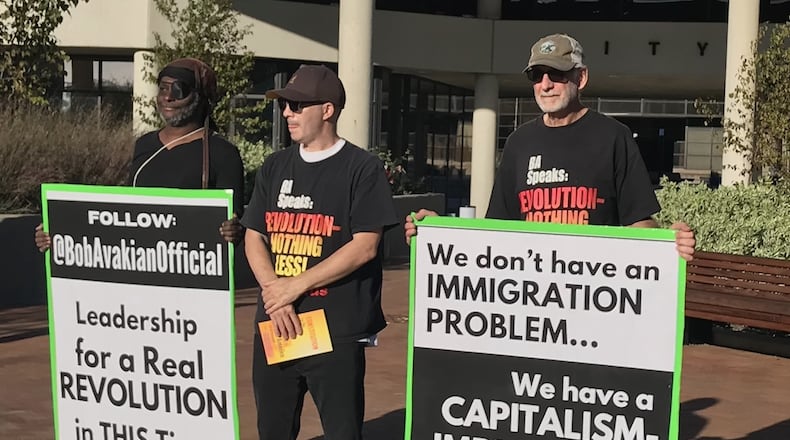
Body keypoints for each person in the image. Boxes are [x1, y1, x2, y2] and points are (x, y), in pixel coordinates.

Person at [405, 33, 696, 260]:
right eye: (536, 75)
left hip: (595, 295)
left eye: (556, 74)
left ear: (580, 78)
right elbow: (497, 231)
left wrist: (668, 243)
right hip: (532, 297)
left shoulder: (614, 137)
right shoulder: (519, 142)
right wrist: (439, 231)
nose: (545, 84)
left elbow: (638, 223)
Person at [241, 64, 398, 440]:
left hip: (335, 332)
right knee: (272, 430)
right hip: (276, 326)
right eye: (285, 106)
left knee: (342, 431)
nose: (287, 114)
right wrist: (274, 295)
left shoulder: (363, 168)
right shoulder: (275, 166)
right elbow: (253, 235)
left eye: (297, 106)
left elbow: (365, 246)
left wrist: (293, 287)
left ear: (327, 110)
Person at [34, 57, 244, 250]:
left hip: (191, 275)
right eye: (162, 88)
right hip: (141, 269)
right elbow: (123, 217)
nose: (168, 97)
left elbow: (235, 221)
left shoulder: (222, 153)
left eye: (179, 89)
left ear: (201, 97)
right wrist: (60, 230)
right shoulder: (145, 144)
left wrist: (234, 230)